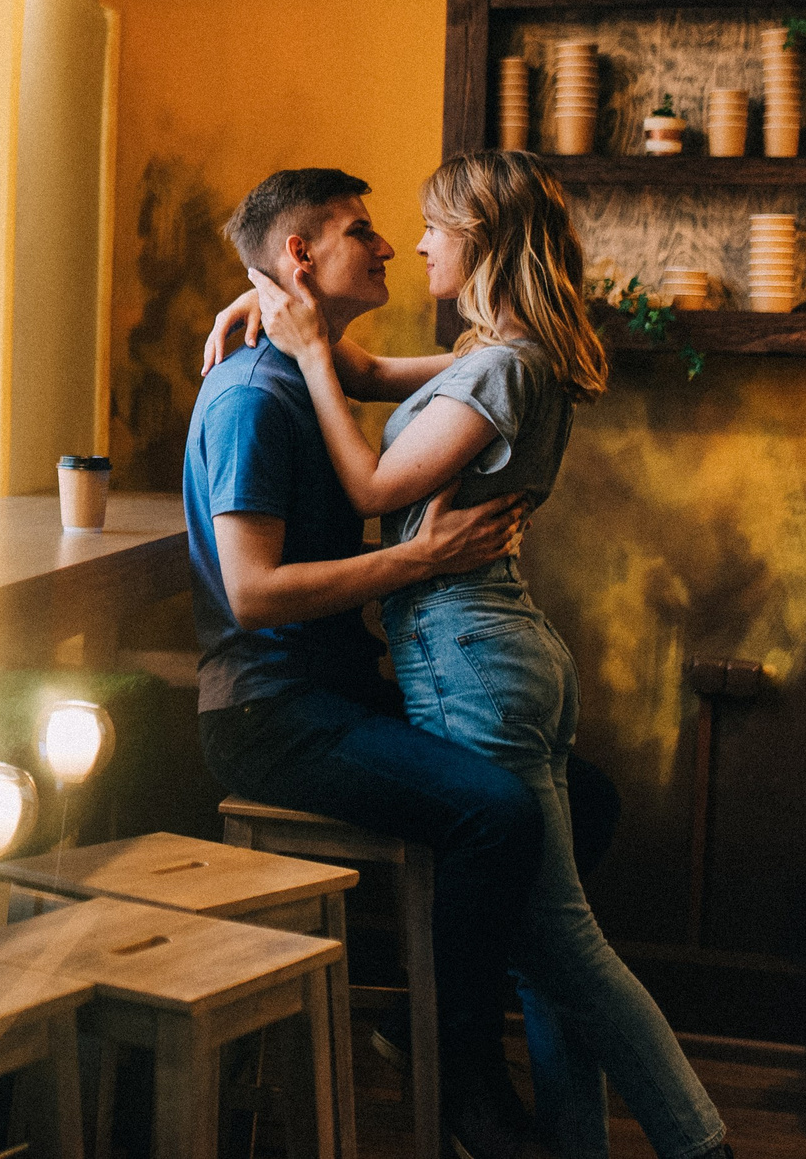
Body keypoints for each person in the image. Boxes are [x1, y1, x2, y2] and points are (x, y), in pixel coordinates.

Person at [241, 151, 732, 1159]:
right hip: (498, 644)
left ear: (480, 240)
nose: (415, 242)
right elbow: (367, 371)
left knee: (563, 944)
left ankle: (700, 1145)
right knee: (542, 946)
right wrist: (260, 302)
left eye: (432, 225)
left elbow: (376, 488)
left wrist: (302, 359)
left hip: (469, 650)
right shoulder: (497, 350)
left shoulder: (502, 364)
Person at [186, 167, 544, 1159]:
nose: (387, 245)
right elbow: (252, 592)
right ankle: (462, 1076)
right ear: (300, 256)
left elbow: (430, 367)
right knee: (499, 812)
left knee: (573, 801)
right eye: (361, 230)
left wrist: (264, 295)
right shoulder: (257, 396)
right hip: (270, 712)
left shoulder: (310, 366)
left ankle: (428, 1021)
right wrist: (422, 558)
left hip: (332, 691)